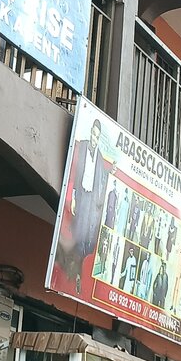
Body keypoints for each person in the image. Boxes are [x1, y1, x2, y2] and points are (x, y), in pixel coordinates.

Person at [69, 119, 106, 279]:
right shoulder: (82, 146)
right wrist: (73, 196)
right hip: (82, 195)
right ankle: (74, 269)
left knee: (87, 236)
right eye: (93, 134)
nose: (94, 139)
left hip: (92, 199)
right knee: (78, 231)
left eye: (97, 137)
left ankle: (80, 272)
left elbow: (101, 179)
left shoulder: (100, 157)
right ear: (91, 132)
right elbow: (75, 172)